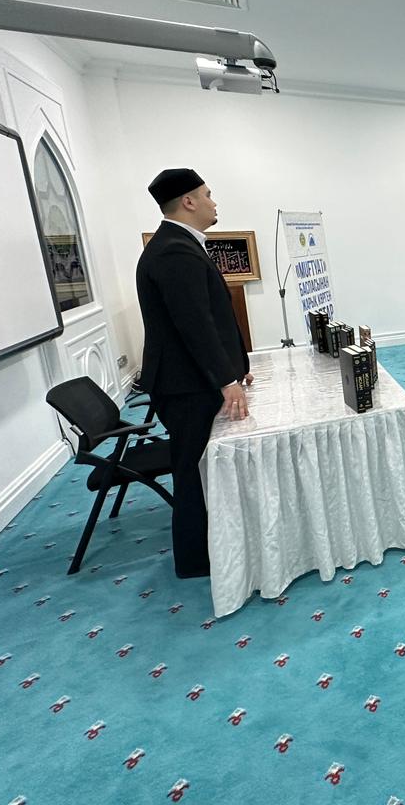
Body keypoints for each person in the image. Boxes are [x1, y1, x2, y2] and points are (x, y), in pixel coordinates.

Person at [136, 169, 251, 579]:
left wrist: (236, 369)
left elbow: (211, 319)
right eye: (207, 194)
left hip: (190, 380)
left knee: (198, 469)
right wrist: (226, 379)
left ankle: (206, 550)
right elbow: (195, 324)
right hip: (187, 386)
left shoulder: (178, 244)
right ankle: (196, 560)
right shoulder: (174, 251)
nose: (213, 202)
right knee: (193, 472)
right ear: (188, 201)